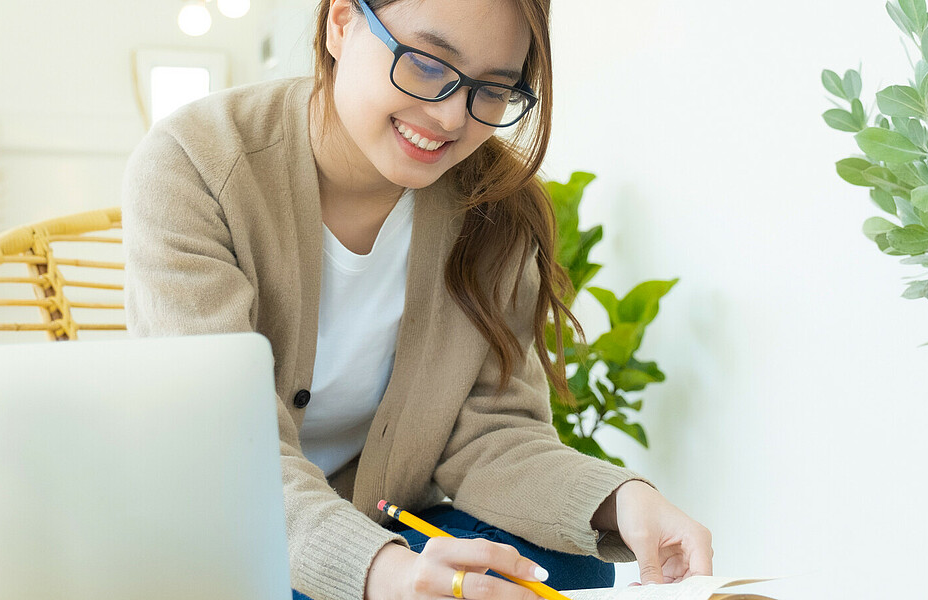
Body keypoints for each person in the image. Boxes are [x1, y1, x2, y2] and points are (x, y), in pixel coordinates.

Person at [121, 0, 713, 598]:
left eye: (493, 89)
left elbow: (490, 433)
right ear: (341, 23)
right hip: (232, 535)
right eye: (428, 64)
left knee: (567, 572)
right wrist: (384, 573)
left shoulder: (493, 208)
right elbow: (223, 455)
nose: (453, 116)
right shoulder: (193, 164)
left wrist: (621, 500)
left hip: (393, 527)